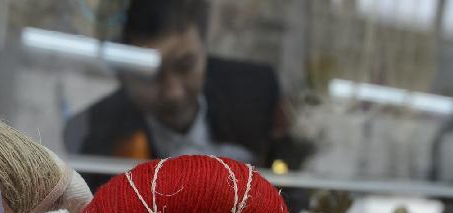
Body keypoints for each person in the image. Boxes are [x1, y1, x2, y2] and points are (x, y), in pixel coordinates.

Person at [64, 0, 299, 168]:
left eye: (185, 65)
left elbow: (293, 190)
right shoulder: (92, 137)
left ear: (204, 49)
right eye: (148, 75)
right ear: (122, 74)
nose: (173, 92)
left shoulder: (256, 91)